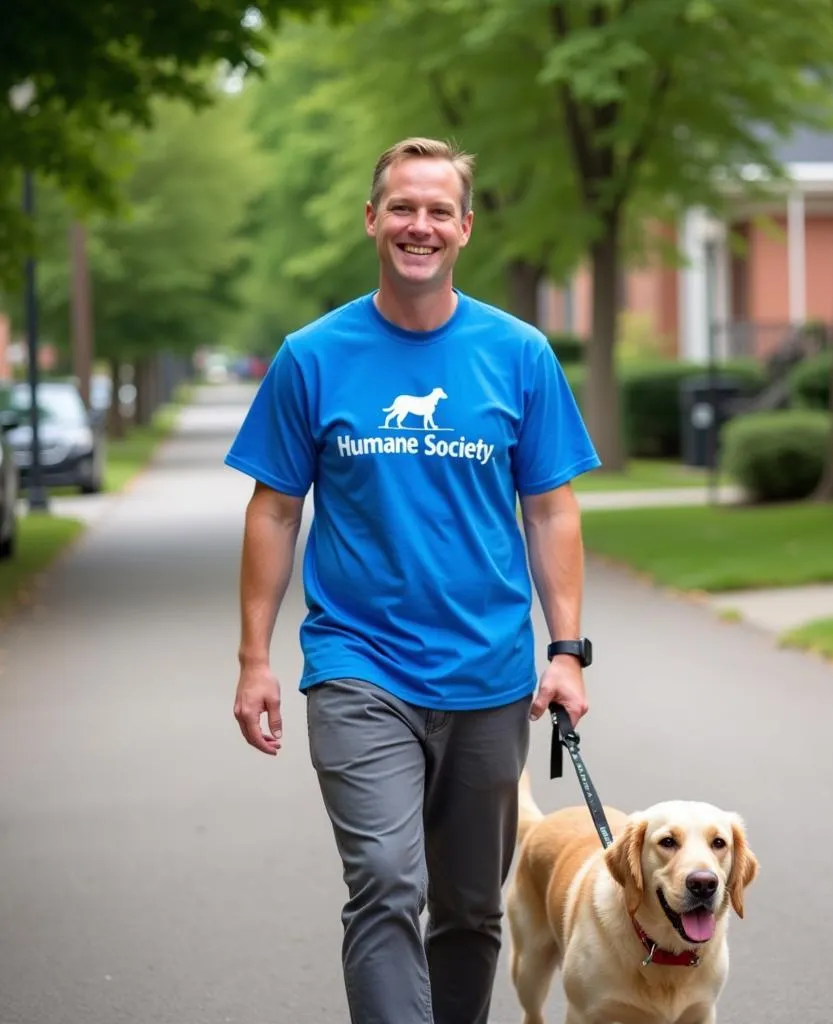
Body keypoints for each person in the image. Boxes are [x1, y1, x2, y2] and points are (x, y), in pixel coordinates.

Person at [224, 136, 601, 1024]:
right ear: (372, 219)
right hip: (359, 667)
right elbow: (274, 511)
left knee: (471, 908)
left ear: (464, 229)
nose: (418, 226)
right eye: (402, 207)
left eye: (438, 211)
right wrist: (253, 659)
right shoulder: (312, 357)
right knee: (388, 883)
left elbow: (552, 510)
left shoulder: (518, 355)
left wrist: (568, 651)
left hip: (491, 675)